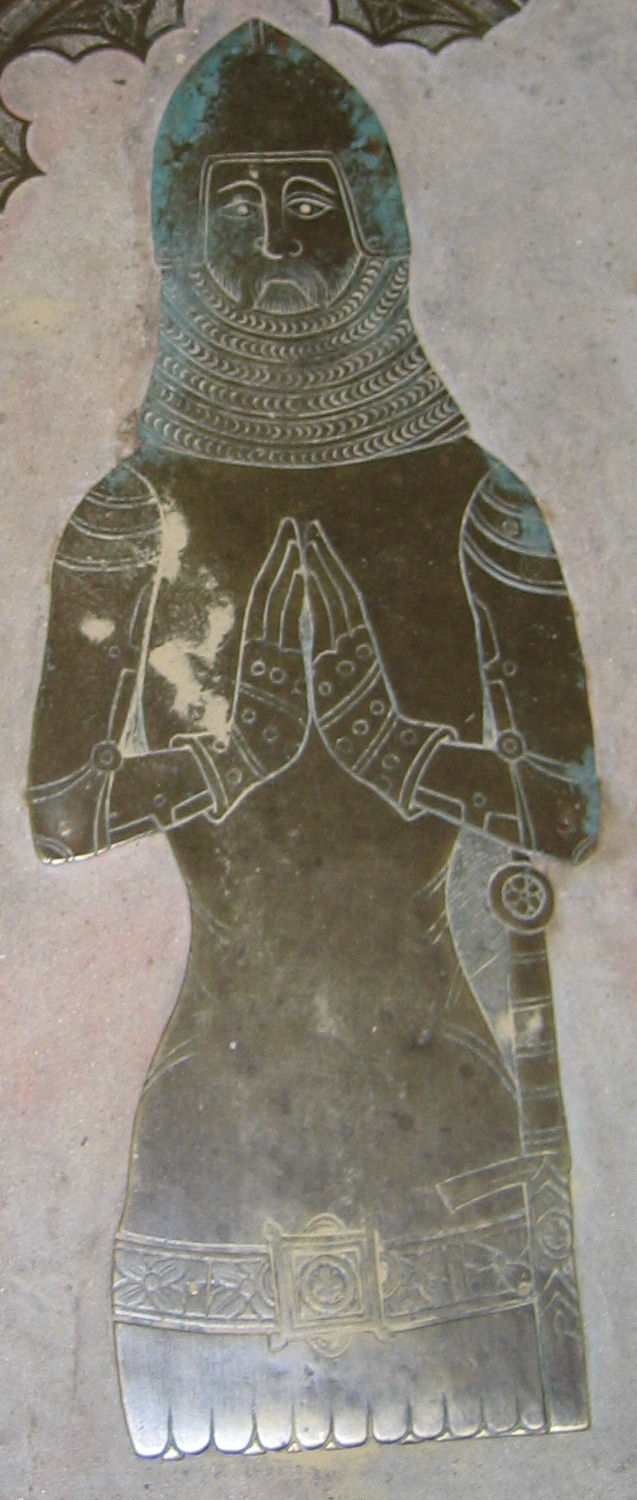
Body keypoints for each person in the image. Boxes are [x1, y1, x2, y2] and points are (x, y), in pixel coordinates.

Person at [27, 19, 598, 1458]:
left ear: (373, 226)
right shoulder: (130, 511)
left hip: (443, 1085)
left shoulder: (478, 499)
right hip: (220, 1105)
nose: (277, 236)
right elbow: (59, 812)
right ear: (181, 237)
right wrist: (231, 755)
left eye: (308, 198)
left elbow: (566, 810)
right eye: (236, 204)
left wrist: (396, 747)